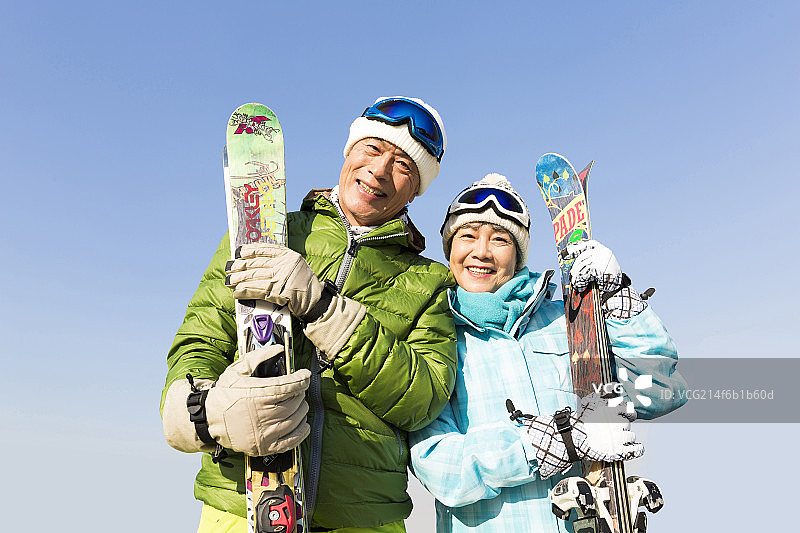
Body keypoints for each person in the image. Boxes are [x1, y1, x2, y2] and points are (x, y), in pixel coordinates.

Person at [160, 96, 458, 533]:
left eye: (403, 166)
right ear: (349, 151)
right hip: (240, 505)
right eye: (373, 148)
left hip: (362, 516)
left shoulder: (429, 281)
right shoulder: (265, 232)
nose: (379, 170)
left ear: (416, 190)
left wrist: (324, 309)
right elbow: (200, 341)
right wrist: (210, 413)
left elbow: (423, 398)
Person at [409, 173, 688, 532]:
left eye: (500, 239)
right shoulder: (433, 338)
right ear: (449, 249)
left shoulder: (568, 323)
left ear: (518, 256)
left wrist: (617, 297)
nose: (482, 251)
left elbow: (659, 391)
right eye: (468, 236)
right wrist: (556, 442)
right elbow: (440, 469)